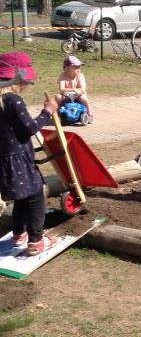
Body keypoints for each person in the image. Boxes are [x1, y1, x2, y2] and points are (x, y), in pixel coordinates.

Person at [0, 52, 59, 255]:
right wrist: (48, 111)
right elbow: (30, 128)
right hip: (19, 160)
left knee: (22, 198)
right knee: (35, 197)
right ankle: (36, 241)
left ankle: (18, 234)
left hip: (5, 159)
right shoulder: (13, 100)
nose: (27, 84)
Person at [57, 55, 93, 124]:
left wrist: (78, 91)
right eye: (76, 67)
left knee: (84, 98)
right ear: (66, 68)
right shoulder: (63, 76)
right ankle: (57, 114)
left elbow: (83, 89)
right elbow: (61, 89)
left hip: (78, 95)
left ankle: (89, 114)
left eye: (79, 67)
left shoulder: (80, 76)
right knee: (57, 97)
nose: (79, 69)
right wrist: (73, 89)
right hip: (66, 95)